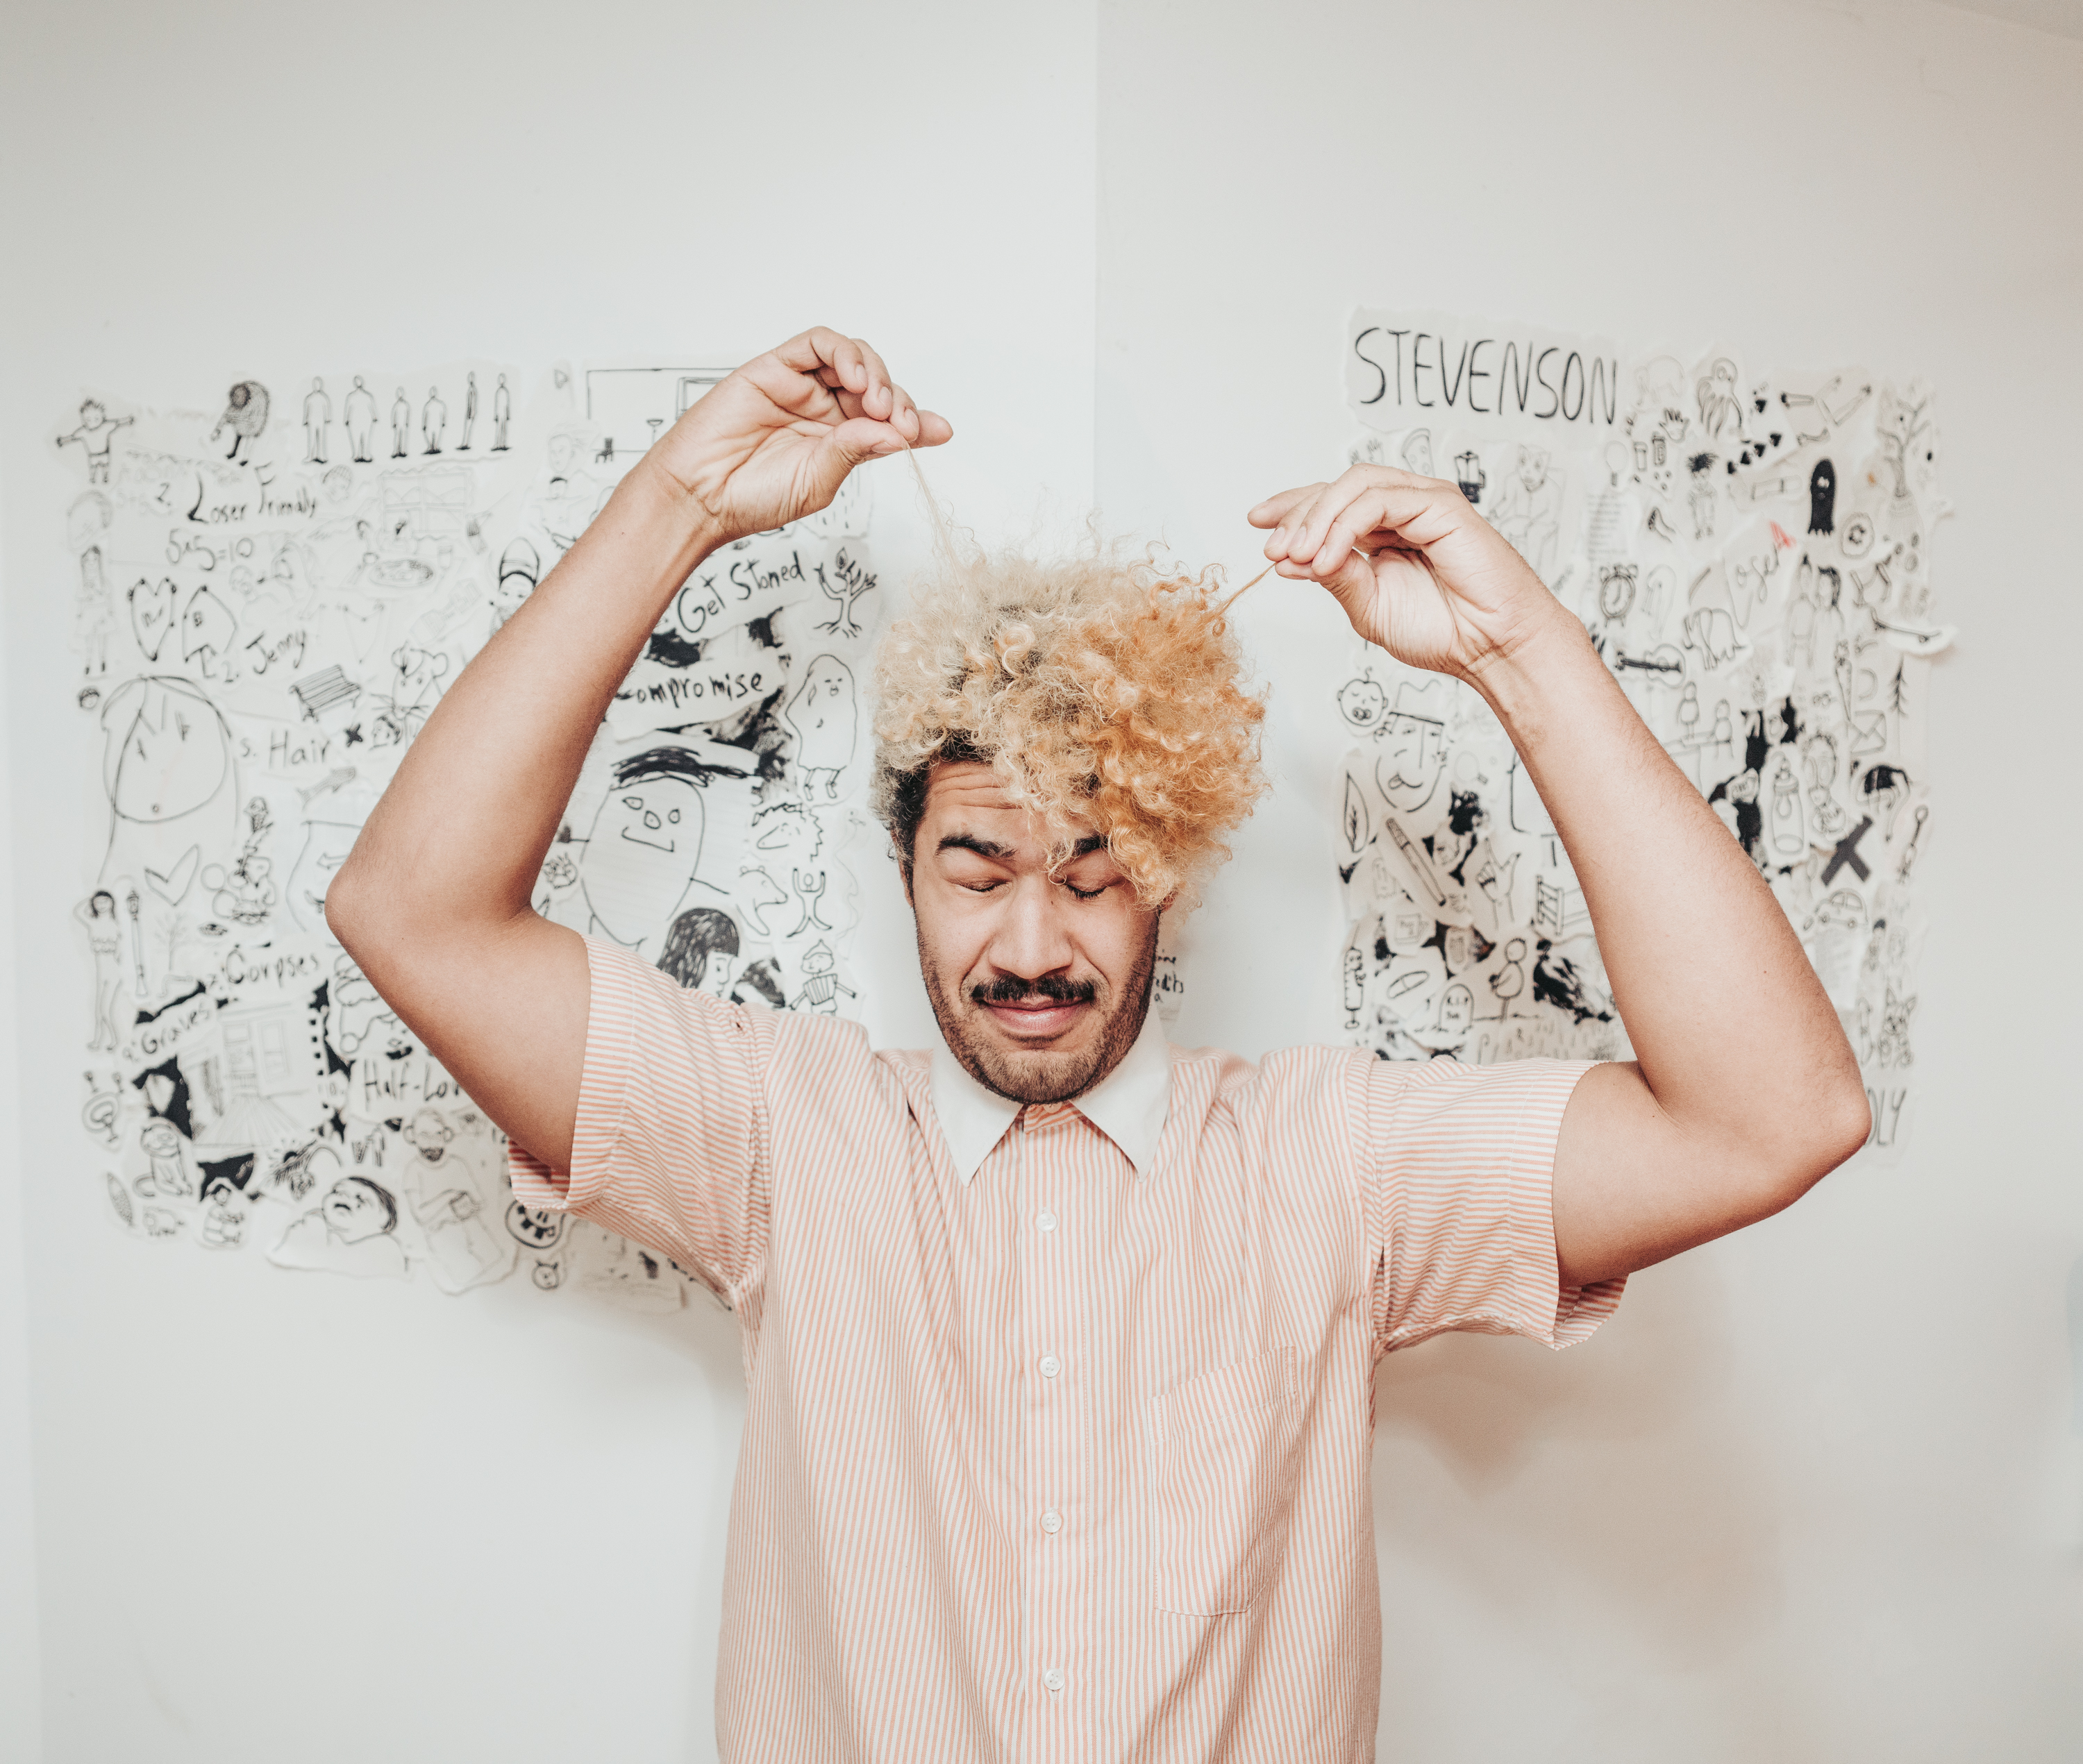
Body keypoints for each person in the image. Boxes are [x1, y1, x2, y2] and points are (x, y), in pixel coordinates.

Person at [326, 329, 1869, 1761]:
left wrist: (1517, 650)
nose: (1030, 947)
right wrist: (678, 505)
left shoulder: (1330, 1161)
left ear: (1169, 880)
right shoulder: (780, 1136)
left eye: (1093, 872)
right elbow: (413, 915)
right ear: (906, 867)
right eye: (977, 867)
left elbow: (1773, 1117)